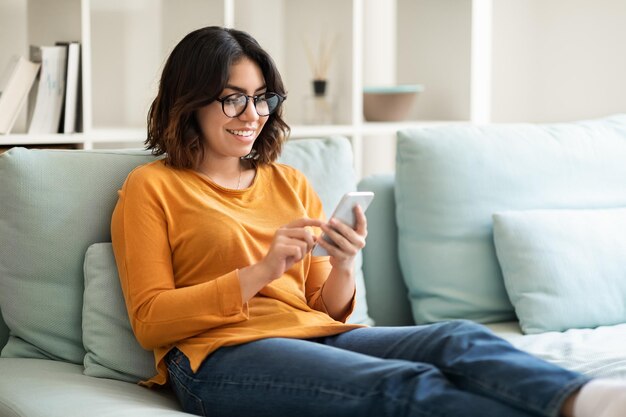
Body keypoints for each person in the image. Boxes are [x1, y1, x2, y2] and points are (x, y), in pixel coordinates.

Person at [110, 26, 626, 417]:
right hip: (216, 357)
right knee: (405, 386)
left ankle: (590, 401)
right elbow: (151, 320)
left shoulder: (288, 181)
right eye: (233, 98)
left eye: (262, 96)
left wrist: (344, 263)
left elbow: (324, 308)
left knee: (456, 339)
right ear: (190, 102)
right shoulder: (151, 187)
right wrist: (259, 273)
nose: (254, 113)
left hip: (314, 335)